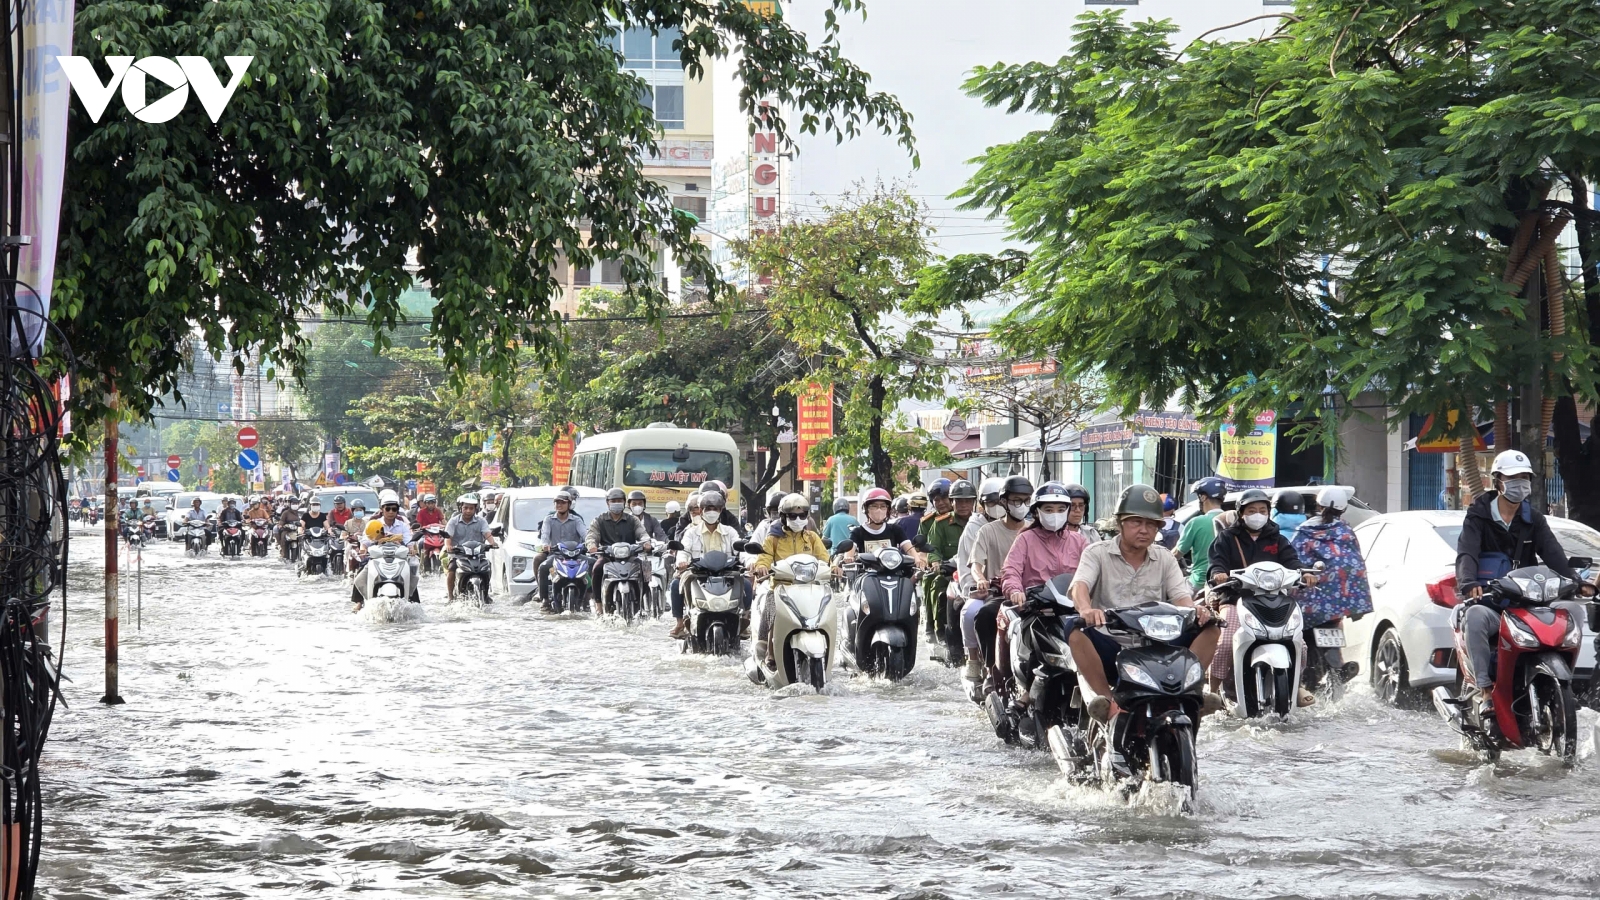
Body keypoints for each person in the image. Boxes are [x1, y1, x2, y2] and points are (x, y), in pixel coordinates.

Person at [1066, 484, 1222, 721]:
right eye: (1136, 522)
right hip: (1111, 642)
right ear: (1120, 523)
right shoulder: (1096, 553)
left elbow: (1181, 598)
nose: (1144, 530)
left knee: (1211, 626)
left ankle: (1192, 692)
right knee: (1074, 629)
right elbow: (1080, 586)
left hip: (1160, 645)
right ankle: (1106, 701)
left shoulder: (1165, 558)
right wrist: (1087, 609)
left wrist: (1196, 612)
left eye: (1151, 524)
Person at [1454, 450, 1594, 711]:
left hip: (1527, 602)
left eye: (1525, 478)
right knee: (1474, 618)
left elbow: (1554, 554)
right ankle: (1485, 691)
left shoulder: (1534, 519)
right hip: (1492, 602)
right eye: (1513, 477)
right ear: (1498, 481)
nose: (1520, 483)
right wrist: (1469, 583)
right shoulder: (1478, 516)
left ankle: (1561, 683)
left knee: (1571, 611)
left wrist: (1575, 580)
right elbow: (1467, 553)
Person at [1206, 487, 1315, 696]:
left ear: (1269, 513)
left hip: (1274, 600)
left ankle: (1295, 685)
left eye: (1263, 511)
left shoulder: (1277, 539)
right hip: (1236, 599)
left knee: (1298, 642)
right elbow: (1216, 562)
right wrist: (1219, 573)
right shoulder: (1227, 538)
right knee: (1227, 642)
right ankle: (1212, 692)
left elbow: (1292, 561)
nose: (1258, 515)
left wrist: (1304, 574)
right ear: (1241, 513)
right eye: (1252, 511)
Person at [1291, 486, 1374, 691]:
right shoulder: (1346, 531)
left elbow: (1292, 560)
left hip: (1310, 601)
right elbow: (1355, 563)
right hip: (1339, 603)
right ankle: (1336, 668)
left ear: (1318, 505)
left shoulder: (1305, 530)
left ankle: (1306, 671)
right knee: (1332, 626)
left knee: (1301, 630)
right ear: (1343, 509)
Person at [964, 475, 1034, 682]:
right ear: (1004, 501)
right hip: (1000, 592)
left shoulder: (1034, 531)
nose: (1021, 506)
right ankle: (990, 669)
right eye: (1015, 500)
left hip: (1033, 593)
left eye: (1026, 500)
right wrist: (980, 579)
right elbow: (976, 563)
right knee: (984, 615)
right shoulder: (987, 531)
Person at [751, 493, 830, 663]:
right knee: (771, 604)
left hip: (810, 587)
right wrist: (762, 567)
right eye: (793, 516)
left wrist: (834, 567)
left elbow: (824, 558)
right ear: (783, 517)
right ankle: (770, 650)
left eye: (802, 516)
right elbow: (764, 557)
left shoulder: (813, 538)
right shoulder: (773, 539)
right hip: (782, 587)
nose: (798, 519)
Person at [671, 490, 744, 638]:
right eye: (708, 509)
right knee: (675, 584)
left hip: (726, 573)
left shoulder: (730, 532)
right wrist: (681, 561)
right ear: (701, 511)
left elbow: (740, 549)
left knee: (746, 585)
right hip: (698, 573)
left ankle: (744, 619)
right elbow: (684, 549)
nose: (711, 512)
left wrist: (750, 562)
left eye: (715, 509)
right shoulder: (691, 532)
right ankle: (680, 622)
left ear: (721, 510)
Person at [919, 479, 973, 641]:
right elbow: (932, 546)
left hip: (976, 570)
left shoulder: (980, 521)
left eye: (968, 501)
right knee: (933, 582)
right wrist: (935, 562)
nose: (963, 505)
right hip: (949, 570)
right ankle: (936, 628)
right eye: (959, 501)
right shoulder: (938, 523)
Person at [586, 487, 650, 612]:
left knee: (646, 569)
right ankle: (598, 603)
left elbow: (642, 533)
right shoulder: (599, 520)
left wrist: (646, 542)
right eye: (613, 500)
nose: (616, 503)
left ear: (624, 502)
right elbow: (591, 535)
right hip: (608, 557)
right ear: (607, 502)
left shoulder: (632, 520)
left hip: (630, 557)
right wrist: (591, 545)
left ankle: (642, 601)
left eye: (619, 500)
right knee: (597, 568)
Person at [356, 489, 419, 605]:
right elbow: (366, 539)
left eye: (394, 509)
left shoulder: (403, 526)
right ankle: (360, 602)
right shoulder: (374, 524)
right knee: (359, 579)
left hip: (399, 559)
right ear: (382, 509)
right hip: (377, 559)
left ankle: (413, 603)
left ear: (397, 510)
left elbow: (409, 541)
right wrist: (363, 548)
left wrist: (411, 549)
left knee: (413, 577)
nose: (391, 512)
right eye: (388, 508)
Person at [533, 491, 586, 609]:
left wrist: (589, 544)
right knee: (543, 567)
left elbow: (585, 534)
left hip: (575, 556)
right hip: (556, 556)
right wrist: (545, 545)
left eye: (563, 502)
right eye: (557, 502)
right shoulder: (549, 519)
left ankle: (590, 596)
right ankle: (545, 598)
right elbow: (545, 535)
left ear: (569, 504)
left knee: (592, 563)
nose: (559, 505)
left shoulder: (576, 520)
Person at [1175, 476, 1227, 590]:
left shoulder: (1196, 522)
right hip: (1227, 582)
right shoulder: (1233, 520)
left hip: (1199, 582)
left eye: (1199, 496)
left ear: (1203, 497)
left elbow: (1176, 554)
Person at [444, 493, 497, 599]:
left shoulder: (481, 521)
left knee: (487, 567)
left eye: (471, 508)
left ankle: (486, 593)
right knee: (451, 568)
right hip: (459, 555)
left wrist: (492, 543)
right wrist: (449, 546)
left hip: (477, 556)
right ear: (460, 508)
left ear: (475, 509)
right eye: (466, 508)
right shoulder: (453, 521)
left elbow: (487, 534)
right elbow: (448, 536)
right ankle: (450, 596)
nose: (468, 511)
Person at [844, 487, 920, 560]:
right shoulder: (857, 532)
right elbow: (849, 552)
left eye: (883, 506)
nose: (879, 510)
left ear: (888, 509)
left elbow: (909, 549)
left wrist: (918, 560)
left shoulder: (895, 529)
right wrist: (848, 558)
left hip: (892, 571)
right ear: (866, 509)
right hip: (867, 572)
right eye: (874, 506)